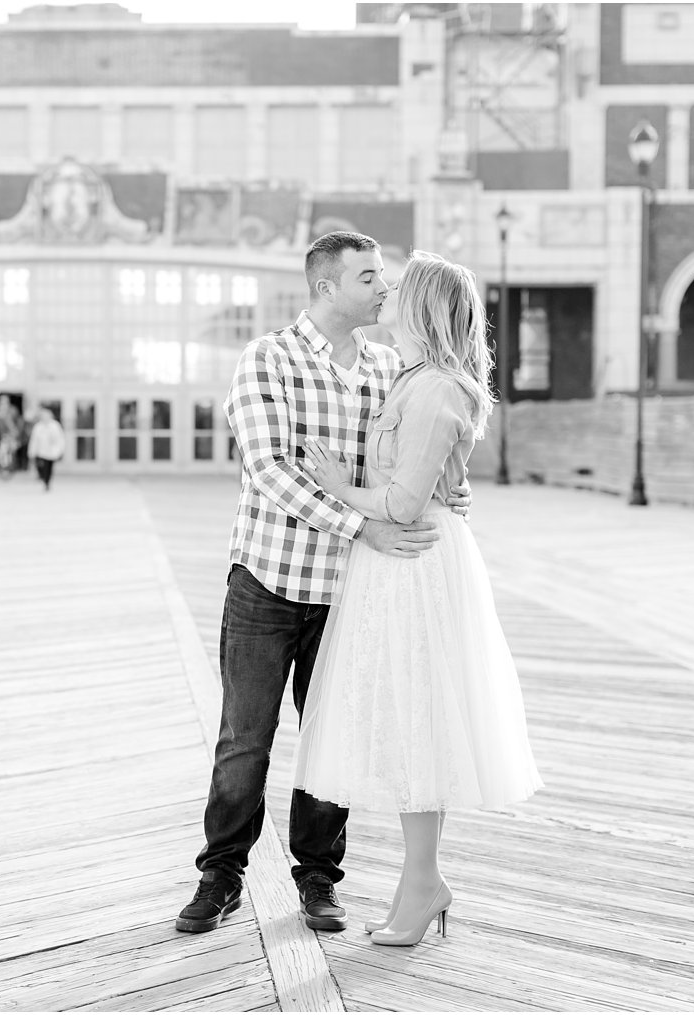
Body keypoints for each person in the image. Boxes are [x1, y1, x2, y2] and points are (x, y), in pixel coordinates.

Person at [174, 231, 471, 936]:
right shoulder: (267, 360)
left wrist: (443, 498)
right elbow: (271, 470)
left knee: (331, 737)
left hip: (347, 591)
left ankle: (318, 878)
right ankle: (221, 875)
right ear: (327, 286)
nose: (383, 289)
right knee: (245, 738)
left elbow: (410, 458)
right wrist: (359, 524)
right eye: (369, 277)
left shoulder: (388, 368)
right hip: (268, 580)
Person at [296, 251, 542, 946]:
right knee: (412, 726)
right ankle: (420, 881)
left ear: (426, 304)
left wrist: (340, 486)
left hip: (416, 563)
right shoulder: (414, 377)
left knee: (419, 726)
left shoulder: (436, 388)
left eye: (398, 287)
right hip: (405, 564)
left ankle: (424, 879)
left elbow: (403, 504)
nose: (387, 293)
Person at [27, 408, 66, 492]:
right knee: (41, 467)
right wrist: (32, 451)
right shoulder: (38, 426)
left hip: (52, 451)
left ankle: (47, 482)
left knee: (49, 467)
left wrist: (60, 450)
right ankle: (43, 478)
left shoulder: (55, 426)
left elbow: (60, 439)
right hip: (41, 451)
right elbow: (34, 440)